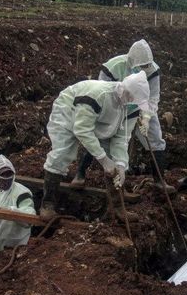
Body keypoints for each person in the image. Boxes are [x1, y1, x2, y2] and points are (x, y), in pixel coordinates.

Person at [41, 71, 150, 219]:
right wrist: (104, 160)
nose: (134, 104)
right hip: (69, 110)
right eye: (132, 100)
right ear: (125, 92)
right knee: (62, 153)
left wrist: (121, 165)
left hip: (102, 120)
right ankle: (47, 205)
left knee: (114, 160)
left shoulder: (132, 107)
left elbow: (121, 138)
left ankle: (117, 209)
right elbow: (82, 130)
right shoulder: (98, 95)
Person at [71, 39, 175, 193]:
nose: (145, 69)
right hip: (115, 107)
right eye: (141, 66)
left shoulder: (153, 71)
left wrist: (146, 117)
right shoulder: (112, 67)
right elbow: (102, 92)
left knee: (155, 138)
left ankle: (159, 181)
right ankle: (80, 174)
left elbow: (153, 97)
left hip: (141, 106)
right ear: (131, 62)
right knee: (102, 136)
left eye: (147, 66)